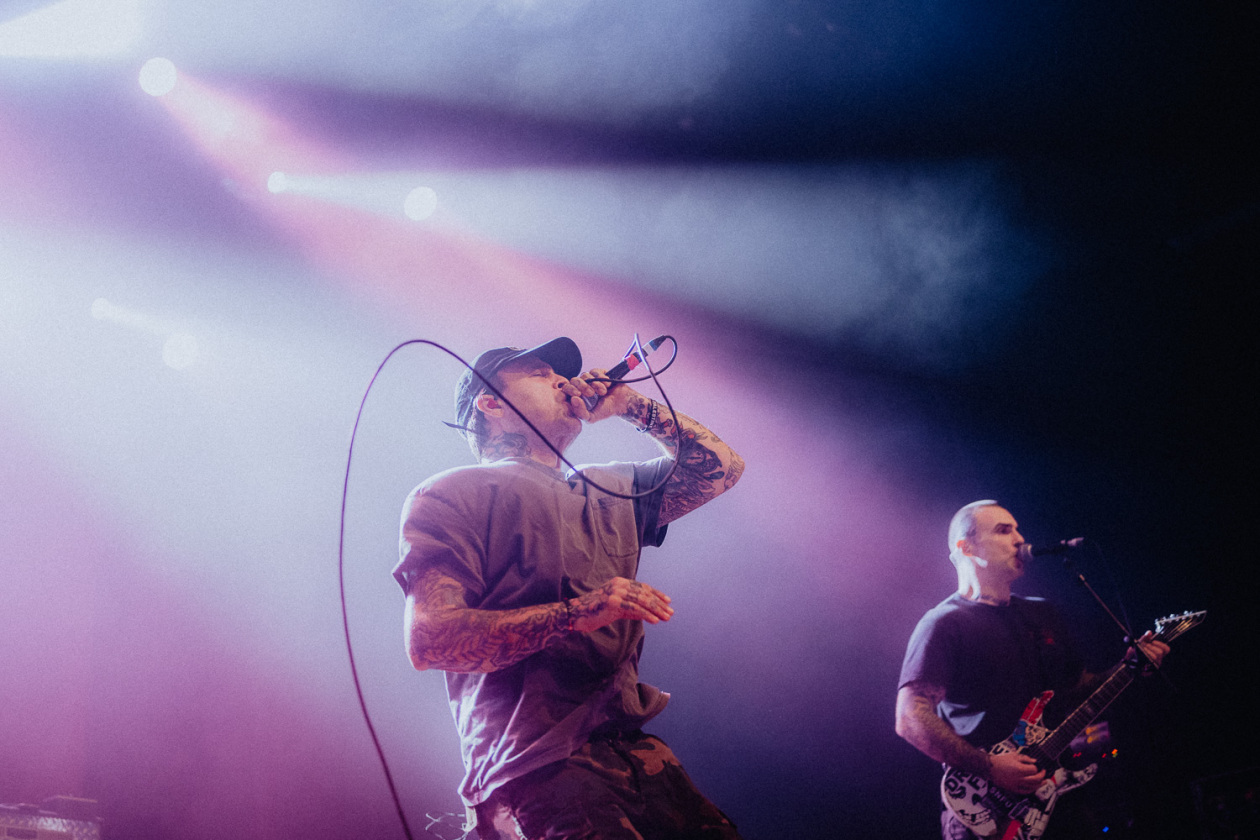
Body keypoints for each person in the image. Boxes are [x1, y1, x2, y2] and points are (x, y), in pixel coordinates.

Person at [393, 337, 746, 840]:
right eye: (538, 373)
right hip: (535, 768)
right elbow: (431, 641)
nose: (562, 379)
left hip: (638, 756)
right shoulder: (451, 493)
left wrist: (629, 406)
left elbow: (721, 467)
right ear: (491, 403)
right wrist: (578, 612)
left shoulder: (610, 486)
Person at [894, 500, 1169, 840]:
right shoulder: (945, 623)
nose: (1019, 538)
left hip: (1058, 798)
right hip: (986, 810)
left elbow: (1077, 690)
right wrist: (990, 767)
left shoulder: (1042, 615)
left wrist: (1128, 669)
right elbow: (910, 718)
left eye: (1017, 528)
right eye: (1003, 530)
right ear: (967, 547)